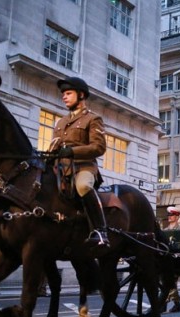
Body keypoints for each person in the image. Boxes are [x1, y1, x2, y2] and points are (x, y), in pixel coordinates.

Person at [50, 77, 109, 249]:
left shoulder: (93, 119)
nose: (64, 97)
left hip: (83, 167)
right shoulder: (60, 122)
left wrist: (73, 151)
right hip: (61, 169)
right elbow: (54, 146)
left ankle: (100, 231)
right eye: (63, 94)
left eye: (68, 93)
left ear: (81, 95)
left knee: (82, 186)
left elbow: (99, 147)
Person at [164, 206, 180, 312]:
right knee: (167, 281)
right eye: (169, 215)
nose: (169, 217)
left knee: (169, 280)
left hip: (177, 259)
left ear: (177, 217)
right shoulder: (165, 230)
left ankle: (164, 302)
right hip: (166, 258)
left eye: (171, 215)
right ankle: (176, 303)